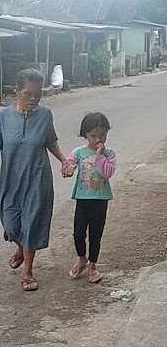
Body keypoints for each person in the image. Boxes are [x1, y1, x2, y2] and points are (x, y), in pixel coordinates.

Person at [0, 69, 71, 292]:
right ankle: (21, 247)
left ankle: (28, 272)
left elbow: (50, 141)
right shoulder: (3, 116)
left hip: (37, 180)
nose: (33, 99)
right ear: (17, 91)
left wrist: (63, 160)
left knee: (32, 224)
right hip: (11, 180)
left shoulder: (45, 115)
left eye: (37, 94)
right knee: (10, 225)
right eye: (27, 94)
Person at [64, 111, 116, 284]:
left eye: (102, 135)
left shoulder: (109, 154)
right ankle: (81, 258)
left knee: (96, 234)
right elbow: (69, 164)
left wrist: (100, 156)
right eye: (93, 135)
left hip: (100, 200)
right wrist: (68, 169)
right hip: (82, 199)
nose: (98, 139)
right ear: (85, 135)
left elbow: (107, 173)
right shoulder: (79, 152)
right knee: (78, 233)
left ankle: (93, 265)